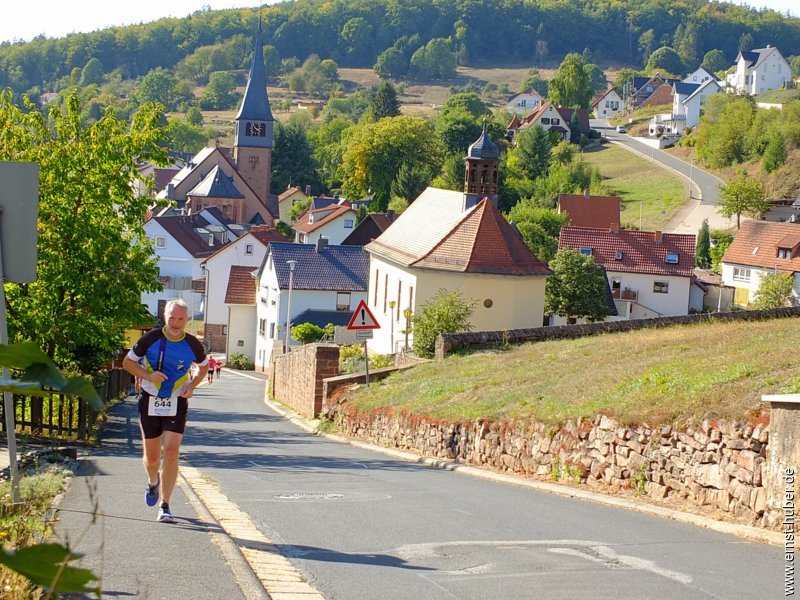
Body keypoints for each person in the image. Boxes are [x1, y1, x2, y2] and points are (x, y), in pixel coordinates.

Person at [123, 299, 208, 523]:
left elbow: (204, 366)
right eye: (172, 318)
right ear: (165, 315)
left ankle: (165, 504)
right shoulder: (150, 338)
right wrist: (149, 376)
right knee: (152, 459)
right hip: (150, 400)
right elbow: (127, 363)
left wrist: (192, 386)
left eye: (181, 318)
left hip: (176, 401)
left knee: (170, 454)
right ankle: (153, 482)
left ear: (187, 319)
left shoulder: (192, 343)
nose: (176, 323)